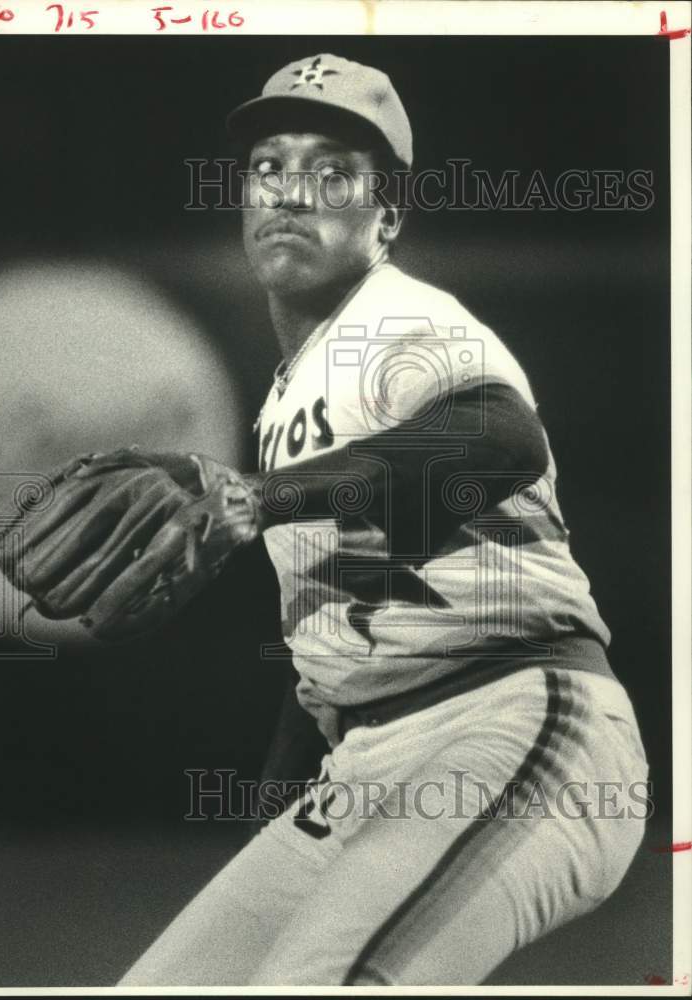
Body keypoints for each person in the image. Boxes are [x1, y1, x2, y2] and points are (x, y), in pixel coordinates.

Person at [108, 52, 649, 985]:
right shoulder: (287, 407)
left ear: (386, 216)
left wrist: (253, 496)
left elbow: (499, 437)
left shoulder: (395, 320)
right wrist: (272, 828)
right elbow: (328, 659)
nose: (290, 190)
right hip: (362, 769)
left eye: (331, 172)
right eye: (269, 167)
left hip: (514, 726)